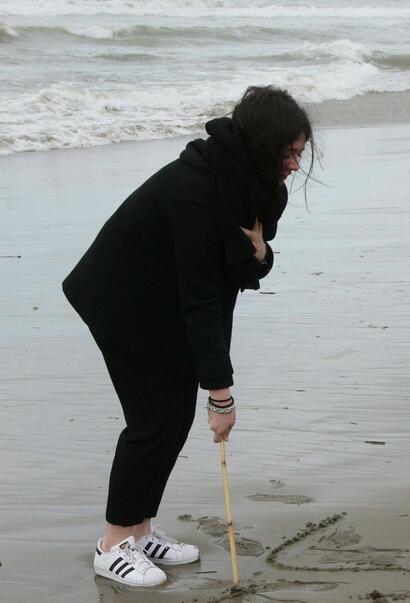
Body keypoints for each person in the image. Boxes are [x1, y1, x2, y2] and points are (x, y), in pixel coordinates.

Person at [63, 86, 314, 586]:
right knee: (153, 422)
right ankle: (112, 543)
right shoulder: (196, 190)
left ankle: (140, 529)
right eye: (287, 154)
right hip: (123, 303)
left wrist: (261, 256)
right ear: (262, 145)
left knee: (173, 420)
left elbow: (240, 265)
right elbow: (203, 295)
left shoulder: (256, 186)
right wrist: (220, 393)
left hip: (168, 301)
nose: (293, 165)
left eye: (299, 154)